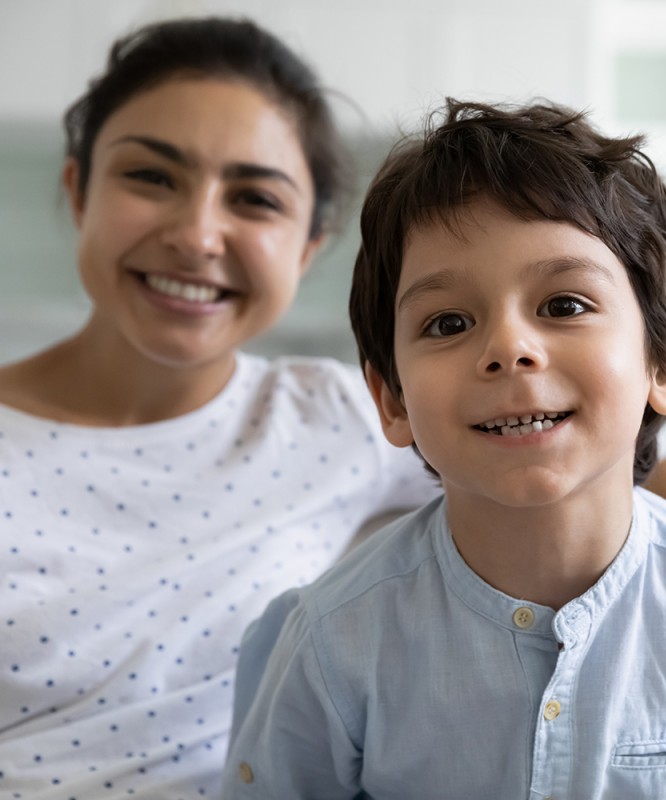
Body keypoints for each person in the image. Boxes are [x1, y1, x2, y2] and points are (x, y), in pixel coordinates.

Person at [224, 99, 666, 798]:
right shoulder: (327, 641)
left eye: (564, 305)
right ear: (393, 400)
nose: (508, 349)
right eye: (448, 322)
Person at [0, 17, 437, 799]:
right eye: (152, 178)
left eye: (255, 198)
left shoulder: (339, 414)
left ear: (308, 248)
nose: (198, 235)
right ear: (78, 191)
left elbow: (615, 463)